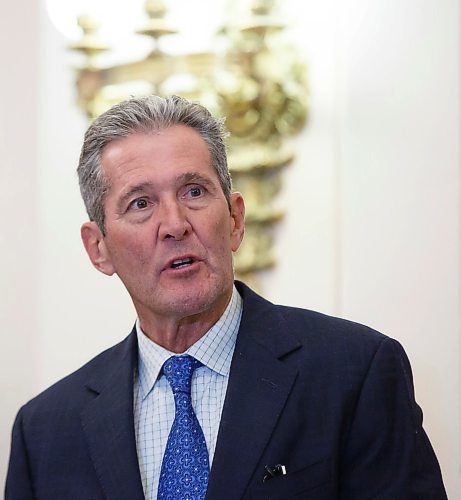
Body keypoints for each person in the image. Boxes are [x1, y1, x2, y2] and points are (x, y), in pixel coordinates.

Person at [6, 95, 447, 500]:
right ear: (98, 248)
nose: (175, 224)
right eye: (141, 204)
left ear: (235, 218)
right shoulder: (44, 431)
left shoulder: (355, 372)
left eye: (193, 192)